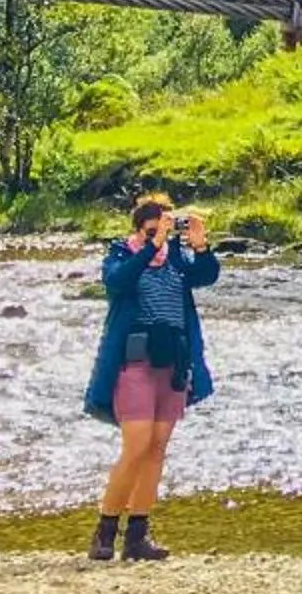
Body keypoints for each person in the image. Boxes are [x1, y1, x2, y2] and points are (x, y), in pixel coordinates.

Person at [83, 191, 219, 561]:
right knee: (136, 445)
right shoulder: (122, 254)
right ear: (138, 229)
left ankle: (138, 535)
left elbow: (206, 276)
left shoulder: (176, 258)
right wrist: (148, 248)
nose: (156, 237)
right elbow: (117, 283)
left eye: (161, 229)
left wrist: (201, 246)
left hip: (172, 364)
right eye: (148, 230)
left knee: (156, 448)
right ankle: (105, 530)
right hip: (134, 365)